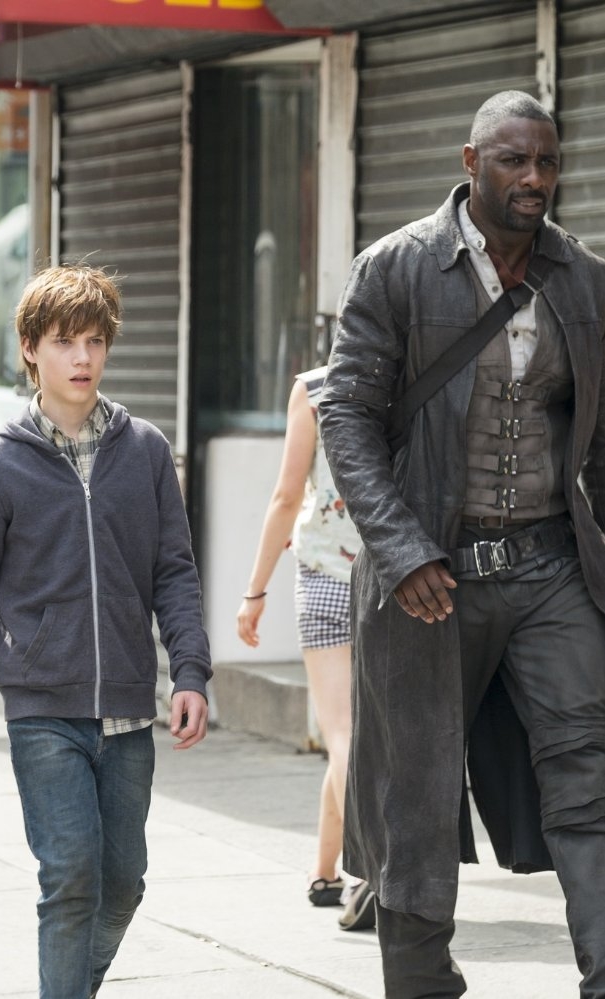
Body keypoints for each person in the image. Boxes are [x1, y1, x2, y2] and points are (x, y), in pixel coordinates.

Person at [317, 90, 605, 999]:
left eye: (548, 162)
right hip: (427, 578)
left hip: (553, 567)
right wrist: (401, 549)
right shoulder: (393, 270)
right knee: (417, 797)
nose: (535, 179)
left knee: (590, 786)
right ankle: (424, 982)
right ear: (472, 164)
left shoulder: (583, 279)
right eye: (515, 161)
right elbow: (347, 416)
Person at [0, 264, 211, 999]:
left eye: (95, 341)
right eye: (64, 342)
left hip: (127, 706)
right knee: (69, 877)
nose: (82, 358)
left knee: (122, 882)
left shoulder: (146, 450)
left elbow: (175, 571)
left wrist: (190, 671)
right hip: (42, 709)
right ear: (30, 348)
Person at [236, 366, 373, 930]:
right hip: (395, 580)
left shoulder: (315, 387)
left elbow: (287, 494)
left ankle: (373, 876)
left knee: (341, 732)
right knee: (357, 735)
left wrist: (255, 590)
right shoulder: (409, 376)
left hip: (322, 577)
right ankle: (325, 871)